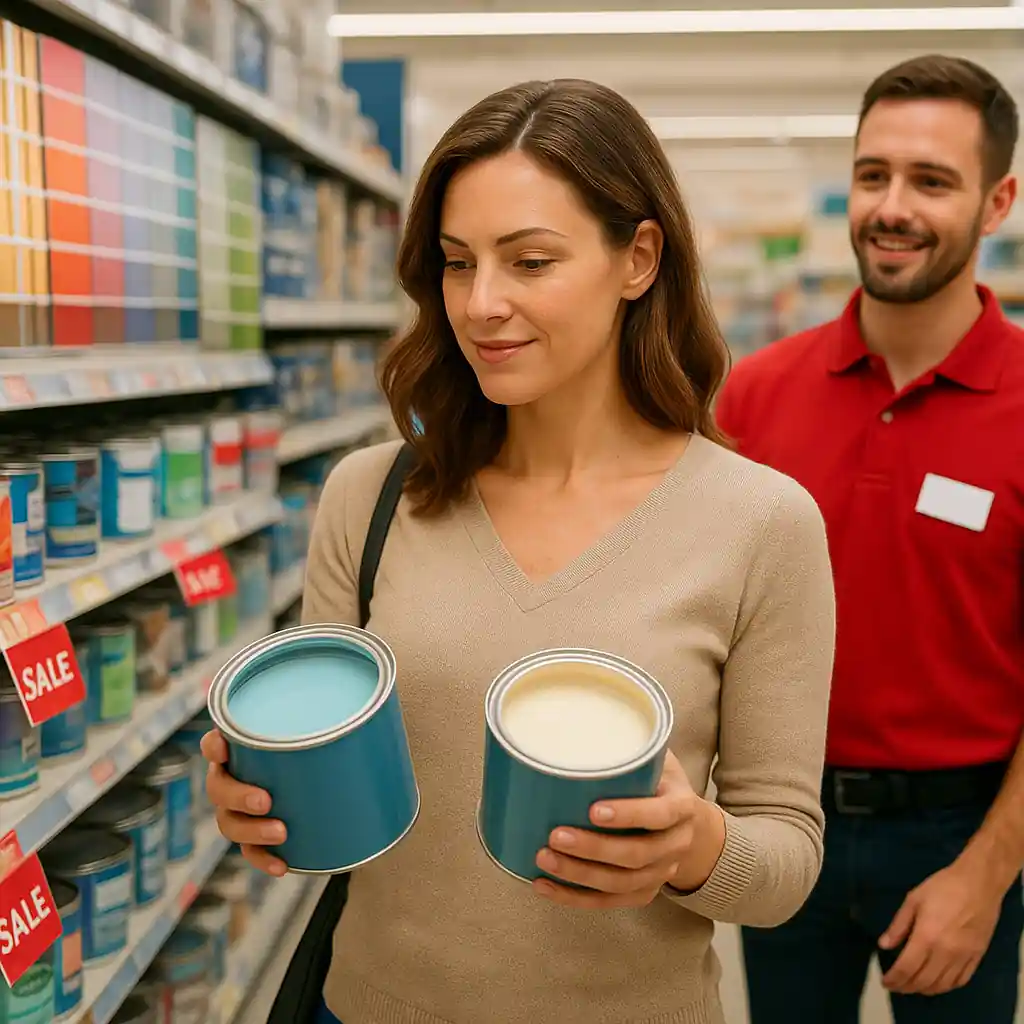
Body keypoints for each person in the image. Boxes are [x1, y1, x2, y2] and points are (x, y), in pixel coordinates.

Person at [201, 78, 836, 1024]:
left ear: (639, 259)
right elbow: (317, 764)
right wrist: (261, 804)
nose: (481, 304)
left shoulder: (761, 524)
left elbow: (784, 859)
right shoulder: (371, 496)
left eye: (529, 261)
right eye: (458, 264)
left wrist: (693, 848)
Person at [717, 54, 1023, 1024]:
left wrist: (984, 875)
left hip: (961, 831)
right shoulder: (751, 395)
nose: (892, 206)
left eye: (931, 180)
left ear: (996, 200)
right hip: (777, 817)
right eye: (872, 174)